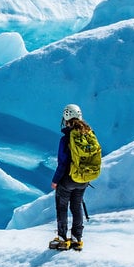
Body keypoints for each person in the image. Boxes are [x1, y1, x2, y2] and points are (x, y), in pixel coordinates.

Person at [50, 103, 91, 251]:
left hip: (68, 179)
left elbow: (62, 163)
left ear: (66, 118)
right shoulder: (87, 134)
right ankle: (76, 239)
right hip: (84, 179)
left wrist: (55, 181)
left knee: (62, 207)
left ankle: (62, 239)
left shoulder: (66, 139)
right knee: (76, 206)